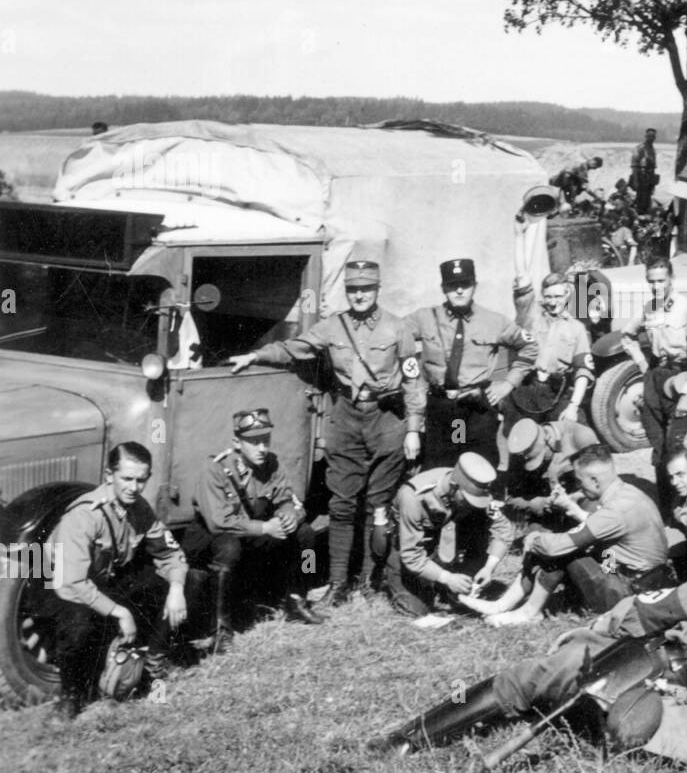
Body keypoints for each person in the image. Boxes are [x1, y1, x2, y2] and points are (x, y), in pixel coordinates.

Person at [374, 480, 687, 766]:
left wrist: (587, 636)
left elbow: (647, 614)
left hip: (652, 685)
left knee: (537, 673)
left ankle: (405, 740)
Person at [230, 259, 419, 607]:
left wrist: (414, 428)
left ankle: (366, 581)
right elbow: (293, 348)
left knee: (376, 505)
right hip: (345, 417)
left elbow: (413, 380)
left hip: (386, 418)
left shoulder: (398, 328)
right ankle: (336, 583)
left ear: (377, 289)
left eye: (366, 289)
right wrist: (255, 355)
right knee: (342, 504)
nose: (359, 295)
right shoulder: (333, 327)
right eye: (353, 289)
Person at [41, 442, 208, 717]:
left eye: (141, 480)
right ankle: (71, 695)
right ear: (109, 476)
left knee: (190, 580)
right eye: (126, 479)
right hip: (55, 582)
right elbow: (71, 583)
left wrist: (176, 588)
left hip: (101, 578)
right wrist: (119, 612)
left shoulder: (138, 507)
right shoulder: (85, 515)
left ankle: (155, 664)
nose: (134, 487)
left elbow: (169, 552)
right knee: (78, 624)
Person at [461, 444, 671, 627]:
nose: (579, 487)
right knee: (567, 544)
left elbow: (559, 546)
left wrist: (533, 538)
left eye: (580, 482)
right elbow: (604, 527)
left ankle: (527, 612)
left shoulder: (615, 511)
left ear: (595, 480)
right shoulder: (628, 493)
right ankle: (503, 604)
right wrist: (570, 505)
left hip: (628, 591)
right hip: (639, 577)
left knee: (561, 549)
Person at [183, 408, 322, 650]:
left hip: (251, 531)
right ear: (237, 442)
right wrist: (266, 527)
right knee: (228, 547)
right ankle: (220, 627)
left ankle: (298, 597)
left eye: (265, 440)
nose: (262, 448)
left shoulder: (271, 464)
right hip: (210, 538)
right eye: (253, 441)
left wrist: (289, 513)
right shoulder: (215, 469)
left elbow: (287, 498)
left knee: (306, 537)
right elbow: (218, 521)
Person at [405, 257, 538, 470]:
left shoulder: (494, 321)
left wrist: (508, 384)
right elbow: (393, 335)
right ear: (443, 288)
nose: (459, 291)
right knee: (441, 466)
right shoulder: (425, 318)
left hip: (475, 407)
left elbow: (529, 347)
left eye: (465, 284)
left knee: (479, 465)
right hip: (441, 407)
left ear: (474, 286)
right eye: (452, 285)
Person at [620, 258, 687, 516]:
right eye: (651, 281)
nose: (656, 286)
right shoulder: (649, 308)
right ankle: (666, 510)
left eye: (661, 280)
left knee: (677, 447)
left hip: (680, 379)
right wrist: (641, 363)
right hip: (655, 379)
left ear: (672, 279)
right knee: (659, 449)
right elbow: (627, 335)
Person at [394, 452, 514, 621]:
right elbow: (411, 555)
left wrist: (488, 568)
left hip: (447, 540)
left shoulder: (476, 486)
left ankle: (462, 578)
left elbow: (503, 529)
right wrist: (447, 578)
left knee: (479, 525)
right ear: (453, 486)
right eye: (468, 500)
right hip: (410, 544)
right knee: (416, 609)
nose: (472, 504)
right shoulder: (414, 496)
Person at [505, 272, 595, 432]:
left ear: (567, 294)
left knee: (580, 436)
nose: (553, 302)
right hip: (526, 388)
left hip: (556, 393)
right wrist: (522, 280)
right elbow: (522, 296)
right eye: (548, 297)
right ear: (542, 296)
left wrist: (573, 407)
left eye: (558, 296)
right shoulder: (530, 316)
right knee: (520, 442)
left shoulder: (576, 328)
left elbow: (583, 371)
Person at [502, 417, 599, 522]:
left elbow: (601, 482)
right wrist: (537, 503)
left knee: (593, 518)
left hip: (585, 496)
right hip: (553, 505)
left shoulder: (581, 438)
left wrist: (574, 497)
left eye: (542, 456)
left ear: (548, 439)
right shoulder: (524, 444)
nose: (542, 462)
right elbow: (511, 497)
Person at [629, 128, 659, 214]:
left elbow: (653, 167)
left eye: (653, 136)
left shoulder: (652, 149)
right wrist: (635, 181)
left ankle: (645, 217)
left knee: (647, 200)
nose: (651, 138)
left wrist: (653, 183)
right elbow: (634, 166)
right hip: (640, 177)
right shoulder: (639, 148)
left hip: (649, 178)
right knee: (640, 200)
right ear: (645, 136)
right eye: (649, 136)